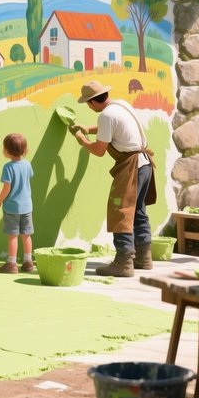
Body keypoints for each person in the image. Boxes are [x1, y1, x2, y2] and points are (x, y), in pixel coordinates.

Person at [68, 80, 157, 278]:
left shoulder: (106, 116)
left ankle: (124, 262)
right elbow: (115, 128)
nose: (88, 107)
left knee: (121, 212)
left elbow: (99, 150)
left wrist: (82, 140)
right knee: (139, 210)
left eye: (87, 104)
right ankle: (144, 257)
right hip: (145, 164)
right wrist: (88, 129)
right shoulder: (120, 105)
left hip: (131, 166)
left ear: (92, 102)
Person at [0, 132, 35, 274]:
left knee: (13, 236)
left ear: (7, 151)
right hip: (27, 207)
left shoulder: (8, 168)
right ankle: (28, 262)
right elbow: (26, 181)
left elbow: (6, 189)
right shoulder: (27, 165)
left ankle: (11, 263)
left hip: (12, 208)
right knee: (26, 235)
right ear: (25, 150)